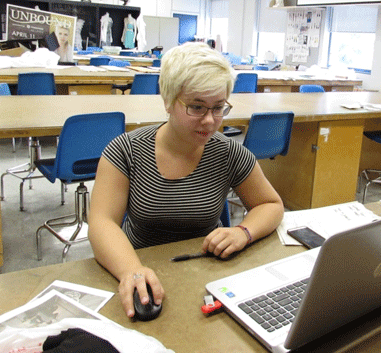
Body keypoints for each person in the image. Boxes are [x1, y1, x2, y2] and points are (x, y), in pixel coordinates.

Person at [88, 42, 284, 319]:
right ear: (167, 100)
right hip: (138, 268)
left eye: (219, 108)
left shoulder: (228, 152)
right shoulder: (125, 151)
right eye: (196, 107)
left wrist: (243, 232)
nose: (209, 121)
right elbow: (101, 223)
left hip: (206, 274)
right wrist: (131, 270)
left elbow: (271, 204)